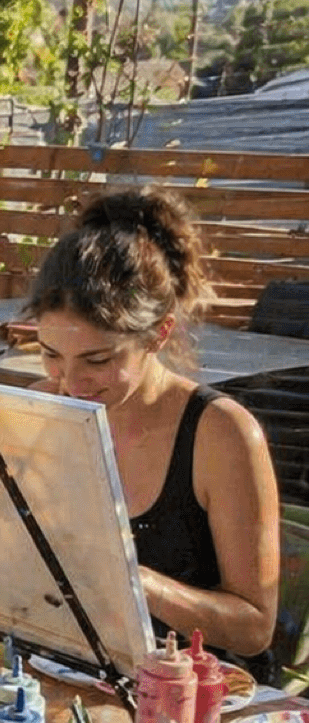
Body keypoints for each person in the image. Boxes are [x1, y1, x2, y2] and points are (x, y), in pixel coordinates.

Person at [25, 186, 279, 662]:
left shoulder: (220, 434)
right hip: (71, 673)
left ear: (158, 333)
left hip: (192, 700)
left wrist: (137, 583)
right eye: (51, 355)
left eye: (98, 360)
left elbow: (255, 628)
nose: (71, 383)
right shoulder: (40, 409)